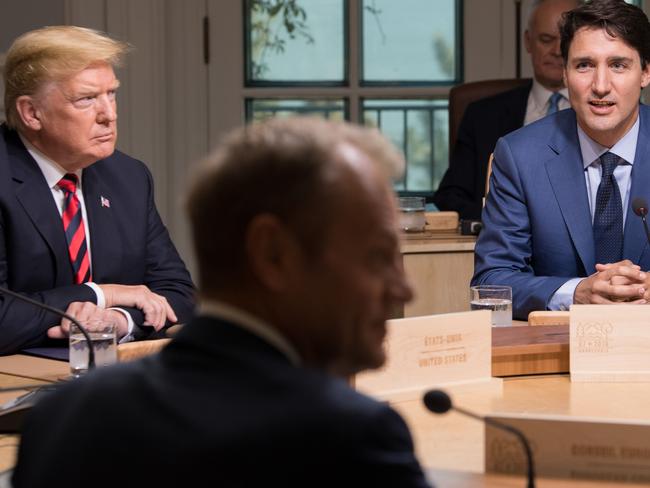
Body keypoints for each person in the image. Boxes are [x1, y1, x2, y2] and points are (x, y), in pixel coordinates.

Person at [12, 117, 431, 487]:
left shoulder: (64, 418)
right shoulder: (350, 437)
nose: (403, 289)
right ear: (272, 255)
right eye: (377, 257)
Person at [0, 26, 195, 353]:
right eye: (87, 99)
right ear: (32, 113)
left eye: (112, 94)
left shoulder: (128, 176)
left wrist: (118, 320)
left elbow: (179, 294)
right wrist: (101, 294)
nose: (109, 114)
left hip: (110, 379)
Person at [473, 0, 650, 320]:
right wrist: (577, 292)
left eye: (618, 65)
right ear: (565, 74)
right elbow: (491, 282)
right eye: (584, 65)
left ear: (645, 73)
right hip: (556, 349)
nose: (600, 86)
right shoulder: (520, 156)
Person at [433, 0, 579, 220]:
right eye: (546, 40)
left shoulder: (602, 112)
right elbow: (450, 196)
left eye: (566, 41)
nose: (557, 51)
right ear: (528, 42)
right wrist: (503, 220)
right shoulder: (482, 116)